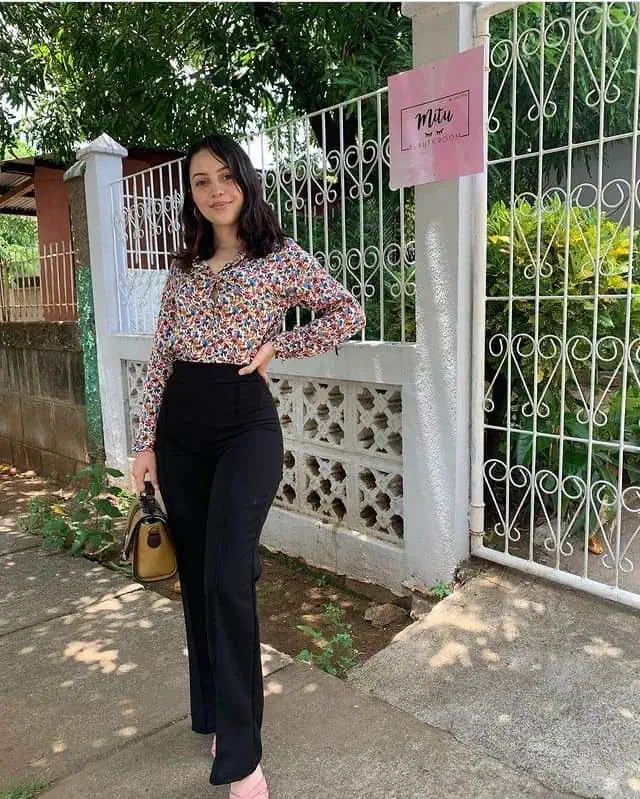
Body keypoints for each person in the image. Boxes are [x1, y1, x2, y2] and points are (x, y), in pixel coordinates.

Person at [130, 133, 366, 798]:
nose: (214, 189)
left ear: (245, 181)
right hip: (181, 430)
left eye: (225, 175)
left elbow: (348, 309)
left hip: (245, 425)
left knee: (230, 576)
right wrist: (144, 443)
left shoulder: (277, 255)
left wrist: (278, 345)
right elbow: (160, 361)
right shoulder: (181, 269)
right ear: (192, 194)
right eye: (201, 180)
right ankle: (215, 711)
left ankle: (241, 755)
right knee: (201, 579)